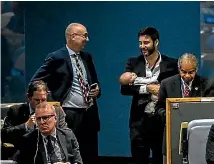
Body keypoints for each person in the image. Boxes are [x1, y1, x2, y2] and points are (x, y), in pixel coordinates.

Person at [30, 23, 101, 164]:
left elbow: (94, 81)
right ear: (72, 36)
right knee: (70, 151)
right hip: (68, 112)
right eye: (84, 36)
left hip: (89, 112)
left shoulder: (87, 57)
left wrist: (97, 90)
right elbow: (36, 81)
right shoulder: (57, 57)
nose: (87, 39)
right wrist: (52, 103)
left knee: (90, 153)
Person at [120, 26, 178, 164]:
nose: (142, 46)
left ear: (156, 42)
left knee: (160, 157)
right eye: (140, 43)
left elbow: (174, 89)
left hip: (161, 120)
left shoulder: (172, 64)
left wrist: (161, 90)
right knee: (139, 158)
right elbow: (124, 89)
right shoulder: (133, 63)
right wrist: (148, 88)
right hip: (139, 121)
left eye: (146, 43)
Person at [155, 53, 207, 164]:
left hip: (199, 137)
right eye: (184, 72)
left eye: (191, 72)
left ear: (196, 70)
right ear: (179, 69)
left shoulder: (206, 84)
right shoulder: (166, 84)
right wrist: (168, 115)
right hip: (173, 138)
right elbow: (158, 108)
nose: (187, 76)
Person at [1, 80, 68, 149]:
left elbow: (66, 134)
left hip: (51, 152)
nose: (40, 103)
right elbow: (4, 135)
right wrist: (26, 126)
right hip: (24, 153)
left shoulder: (57, 111)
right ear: (29, 97)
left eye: (43, 100)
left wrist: (52, 129)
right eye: (37, 100)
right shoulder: (16, 111)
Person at [16, 102, 83, 164]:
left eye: (45, 118)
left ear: (55, 118)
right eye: (38, 119)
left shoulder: (68, 135)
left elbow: (78, 161)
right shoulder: (28, 139)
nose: (42, 122)